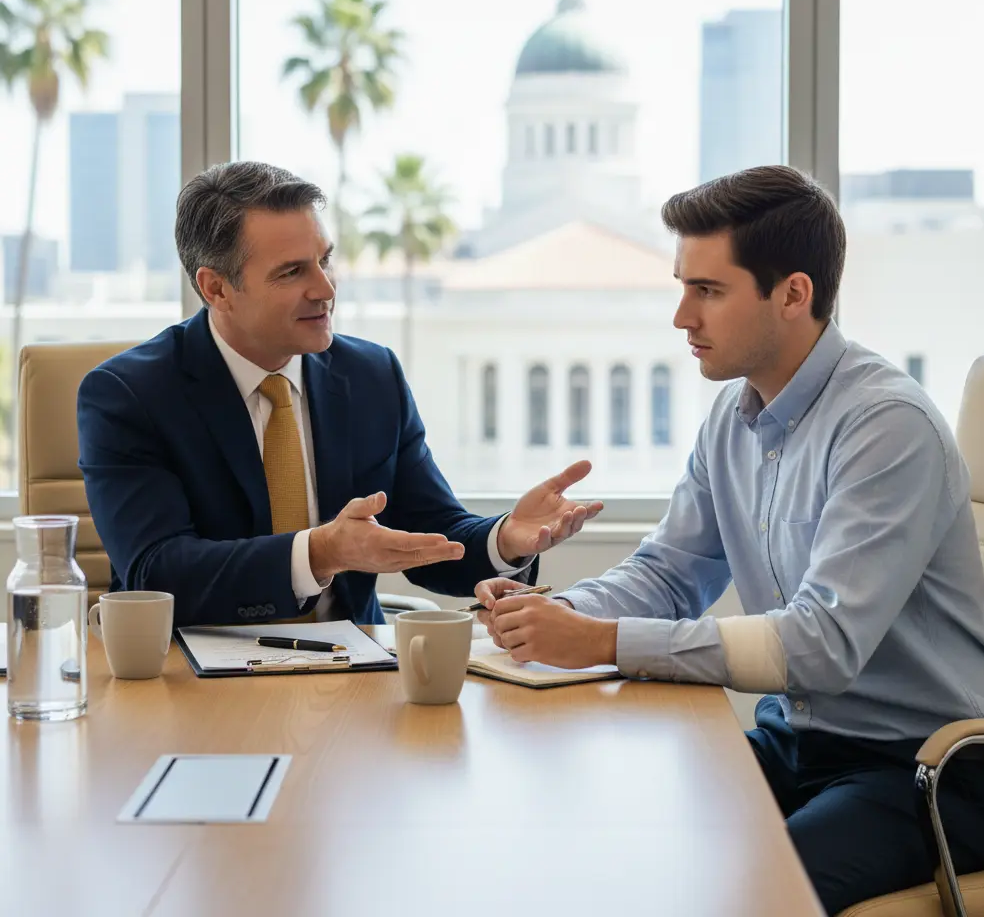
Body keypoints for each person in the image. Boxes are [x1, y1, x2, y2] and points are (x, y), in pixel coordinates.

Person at [474, 165, 984, 914]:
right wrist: (551, 613)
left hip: (923, 770)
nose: (680, 317)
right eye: (682, 285)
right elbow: (670, 574)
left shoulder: (887, 427)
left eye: (708, 290)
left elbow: (823, 645)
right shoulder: (733, 416)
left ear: (793, 294)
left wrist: (599, 641)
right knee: (619, 844)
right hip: (794, 743)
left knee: (751, 894)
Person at [77, 161, 601, 628]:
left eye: (325, 261)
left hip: (351, 671)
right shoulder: (129, 395)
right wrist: (320, 553)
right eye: (292, 272)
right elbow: (157, 573)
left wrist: (505, 539)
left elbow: (429, 529)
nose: (325, 289)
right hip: (188, 678)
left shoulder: (371, 374)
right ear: (216, 288)